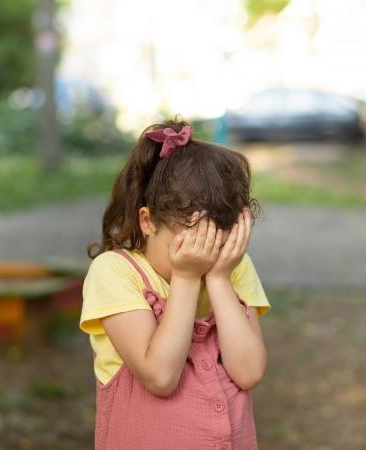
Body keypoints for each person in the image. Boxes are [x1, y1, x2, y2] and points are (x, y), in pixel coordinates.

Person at [80, 120, 269, 450]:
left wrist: (221, 280)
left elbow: (249, 372)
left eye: (218, 244)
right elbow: (160, 377)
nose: (206, 257)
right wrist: (186, 278)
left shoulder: (231, 268)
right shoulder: (114, 272)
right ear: (148, 221)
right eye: (191, 245)